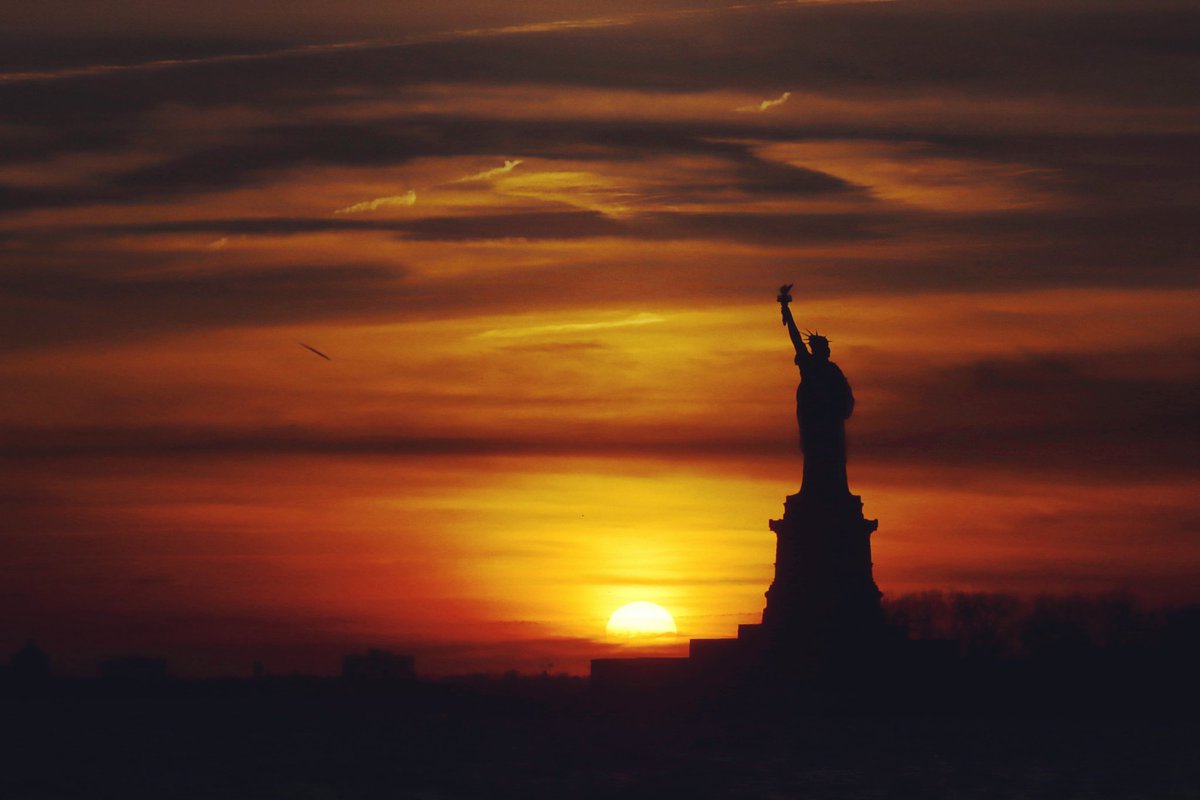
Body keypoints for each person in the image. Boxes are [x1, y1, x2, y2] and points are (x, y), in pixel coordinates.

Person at [778, 284, 854, 496]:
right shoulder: (809, 365)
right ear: (818, 350)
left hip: (830, 421)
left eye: (827, 348)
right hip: (815, 420)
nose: (827, 351)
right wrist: (786, 310)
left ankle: (833, 492)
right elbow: (795, 338)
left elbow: (845, 396)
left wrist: (838, 406)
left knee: (833, 457)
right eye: (823, 348)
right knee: (814, 455)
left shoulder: (832, 370)